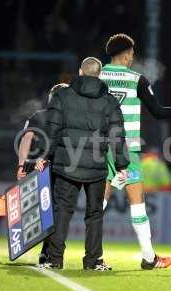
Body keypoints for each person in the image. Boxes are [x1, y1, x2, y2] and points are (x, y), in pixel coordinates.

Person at [37, 57, 129, 271]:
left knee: (62, 210)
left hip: (66, 163)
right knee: (95, 214)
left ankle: (54, 259)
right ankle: (93, 260)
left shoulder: (62, 95)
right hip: (96, 166)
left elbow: (52, 129)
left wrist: (44, 155)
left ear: (80, 71)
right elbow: (117, 135)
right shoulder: (110, 101)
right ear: (99, 74)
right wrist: (122, 164)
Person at [100, 33, 171, 269]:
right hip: (127, 148)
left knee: (99, 202)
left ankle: (92, 254)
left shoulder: (96, 75)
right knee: (137, 202)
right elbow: (157, 111)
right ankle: (148, 257)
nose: (132, 58)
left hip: (99, 147)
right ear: (125, 54)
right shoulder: (137, 79)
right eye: (132, 54)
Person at [16, 83, 68, 265]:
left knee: (35, 208)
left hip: (36, 167)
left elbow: (26, 139)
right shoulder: (70, 119)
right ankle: (47, 252)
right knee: (54, 211)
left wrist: (22, 166)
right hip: (59, 168)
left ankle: (29, 242)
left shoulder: (37, 116)